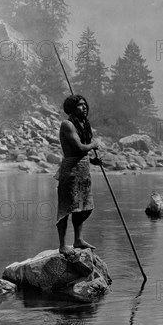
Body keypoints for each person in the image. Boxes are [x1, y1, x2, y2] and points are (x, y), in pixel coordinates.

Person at [55, 94, 102, 257]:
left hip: (83, 169)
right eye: (80, 105)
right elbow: (79, 148)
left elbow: (83, 152)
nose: (84, 107)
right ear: (71, 109)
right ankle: (62, 245)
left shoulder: (84, 124)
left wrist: (93, 161)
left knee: (84, 207)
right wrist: (93, 145)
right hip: (70, 171)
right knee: (66, 208)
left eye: (85, 105)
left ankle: (78, 239)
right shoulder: (67, 124)